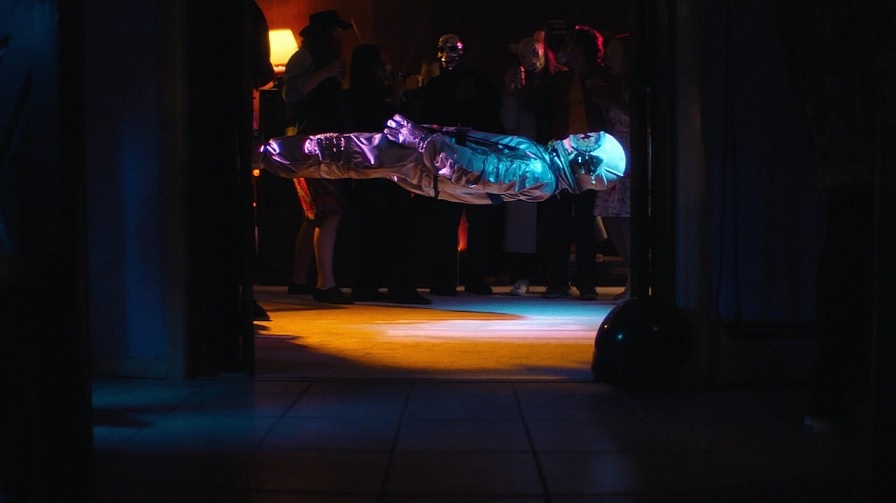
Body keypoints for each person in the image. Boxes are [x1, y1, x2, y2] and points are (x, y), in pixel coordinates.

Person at [261, 113, 625, 204]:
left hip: (422, 160)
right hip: (424, 160)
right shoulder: (542, 169)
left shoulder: (537, 171)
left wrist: (420, 140)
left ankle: (263, 155)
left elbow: (470, 170)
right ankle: (267, 156)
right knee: (341, 154)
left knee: (338, 152)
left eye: (589, 141)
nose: (582, 136)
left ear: (587, 164)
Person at [417, 34, 505, 296]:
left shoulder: (479, 83)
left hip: (473, 156)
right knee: (448, 219)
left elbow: (491, 117)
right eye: (444, 50)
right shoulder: (436, 87)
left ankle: (471, 277)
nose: (448, 56)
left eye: (453, 50)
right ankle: (445, 279)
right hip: (449, 160)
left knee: (476, 219)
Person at [346, 43, 431, 305]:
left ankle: (368, 284)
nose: (389, 68)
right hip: (380, 168)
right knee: (393, 226)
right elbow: (386, 124)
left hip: (378, 169)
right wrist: (395, 96)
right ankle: (397, 286)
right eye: (383, 64)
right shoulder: (365, 96)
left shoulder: (366, 93)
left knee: (374, 227)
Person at [280, 10, 354, 304]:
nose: (340, 36)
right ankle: (326, 284)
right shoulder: (305, 57)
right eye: (335, 31)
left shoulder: (322, 59)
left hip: (317, 143)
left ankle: (299, 279)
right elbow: (290, 94)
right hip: (311, 145)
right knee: (328, 211)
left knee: (313, 215)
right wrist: (325, 73)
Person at [540, 23, 611, 300]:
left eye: (573, 45)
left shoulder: (599, 78)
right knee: (558, 217)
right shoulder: (561, 79)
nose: (567, 50)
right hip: (563, 153)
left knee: (584, 219)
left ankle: (586, 281)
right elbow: (547, 111)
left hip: (591, 155)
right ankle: (557, 280)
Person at [499, 30, 563, 295]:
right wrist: (511, 93)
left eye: (533, 53)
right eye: (523, 56)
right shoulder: (520, 85)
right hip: (526, 158)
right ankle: (522, 274)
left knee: (551, 219)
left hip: (552, 156)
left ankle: (554, 277)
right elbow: (509, 122)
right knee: (522, 220)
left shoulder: (556, 82)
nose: (529, 60)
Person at [593, 33, 632, 301]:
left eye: (615, 54)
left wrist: (613, 102)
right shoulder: (613, 86)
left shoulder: (637, 88)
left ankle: (636, 277)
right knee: (609, 213)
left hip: (634, 149)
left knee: (627, 214)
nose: (608, 59)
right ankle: (631, 269)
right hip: (616, 151)